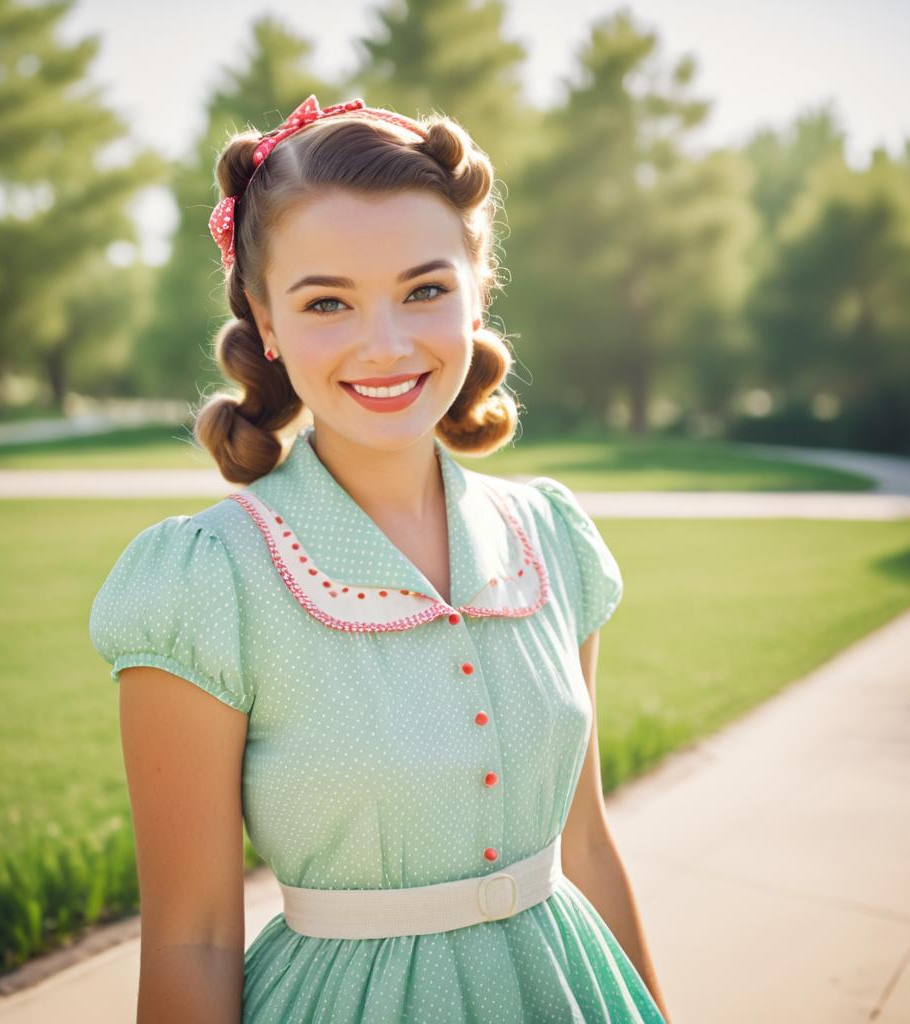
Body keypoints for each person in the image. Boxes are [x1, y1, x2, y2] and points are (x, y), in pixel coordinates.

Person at [89, 94, 671, 1024]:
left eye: (424, 289)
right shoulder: (208, 580)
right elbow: (190, 935)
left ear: (478, 289)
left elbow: (589, 846)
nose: (386, 344)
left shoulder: (551, 538)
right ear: (265, 321)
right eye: (328, 302)